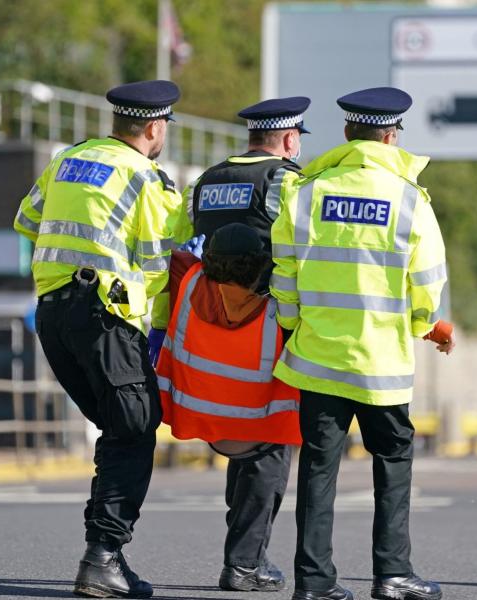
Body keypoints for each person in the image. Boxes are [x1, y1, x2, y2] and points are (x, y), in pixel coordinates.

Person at [270, 87, 454, 600]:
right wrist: (419, 325)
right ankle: (393, 574)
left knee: (318, 467)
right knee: (393, 459)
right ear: (392, 137)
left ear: (348, 133)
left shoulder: (305, 192)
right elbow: (428, 285)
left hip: (318, 359)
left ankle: (313, 581)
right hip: (380, 364)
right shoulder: (409, 199)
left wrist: (293, 328)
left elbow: (283, 275)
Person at [13, 80, 191, 599]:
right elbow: (158, 264)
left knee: (119, 430)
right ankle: (102, 557)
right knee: (134, 428)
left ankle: (107, 557)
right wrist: (155, 327)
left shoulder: (67, 159)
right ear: (155, 128)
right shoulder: (146, 177)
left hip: (52, 312)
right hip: (107, 316)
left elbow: (26, 220)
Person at [154, 98, 310, 593]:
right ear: (289, 140)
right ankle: (244, 563)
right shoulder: (288, 182)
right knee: (270, 440)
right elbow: (305, 250)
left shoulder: (207, 182)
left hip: (206, 323)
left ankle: (243, 557)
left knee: (242, 439)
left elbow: (179, 245)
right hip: (268, 325)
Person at [155, 224, 302, 582]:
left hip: (206, 417)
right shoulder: (278, 305)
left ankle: (247, 557)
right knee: (264, 478)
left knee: (245, 478)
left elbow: (169, 254)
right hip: (261, 423)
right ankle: (244, 565)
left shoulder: (188, 280)